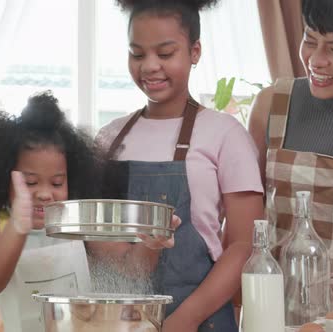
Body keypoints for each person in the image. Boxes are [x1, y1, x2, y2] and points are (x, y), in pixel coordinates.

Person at [0, 91, 177, 331]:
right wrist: (17, 227)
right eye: (31, 182)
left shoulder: (78, 224)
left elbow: (131, 269)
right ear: (3, 179)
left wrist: (151, 243)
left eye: (56, 183)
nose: (45, 193)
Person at [95, 0, 264, 331]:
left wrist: (185, 319)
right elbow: (100, 244)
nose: (149, 66)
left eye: (165, 53)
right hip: (121, 320)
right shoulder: (109, 139)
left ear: (195, 51)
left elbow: (245, 244)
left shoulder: (226, 134)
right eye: (138, 54)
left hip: (203, 320)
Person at [249, 0, 333, 310]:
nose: (316, 60)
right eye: (310, 40)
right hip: (273, 311)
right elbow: (246, 218)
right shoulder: (273, 104)